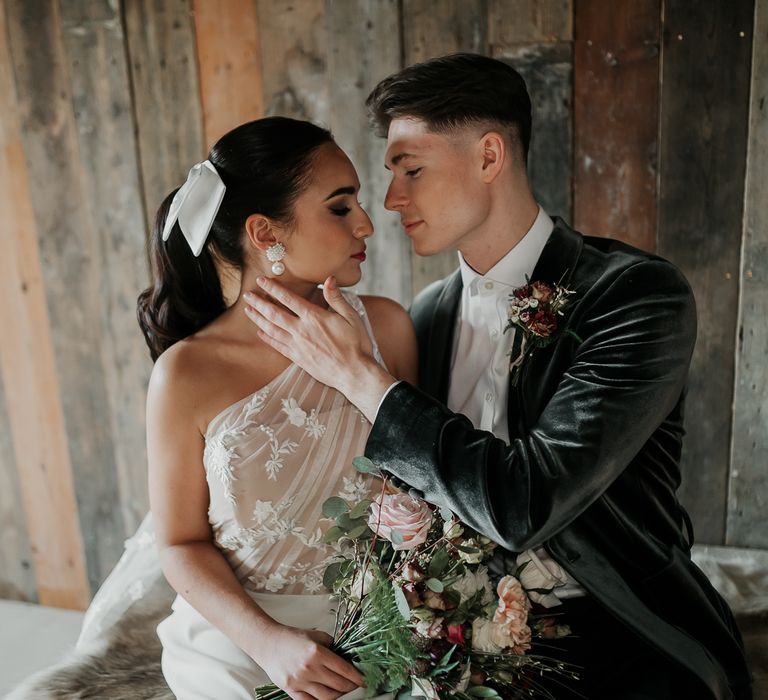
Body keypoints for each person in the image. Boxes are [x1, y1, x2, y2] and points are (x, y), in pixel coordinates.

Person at [243, 54, 753, 699]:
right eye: (390, 175)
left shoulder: (634, 295)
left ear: (489, 157)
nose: (392, 200)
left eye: (412, 169)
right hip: (450, 634)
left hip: (619, 622)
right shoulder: (424, 316)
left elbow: (526, 504)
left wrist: (359, 377)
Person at [136, 116, 416, 699]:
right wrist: (268, 643)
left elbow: (420, 486)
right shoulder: (186, 373)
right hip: (238, 641)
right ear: (266, 232)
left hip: (382, 631)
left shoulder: (387, 329)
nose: (367, 222)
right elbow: (179, 544)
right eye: (339, 207)